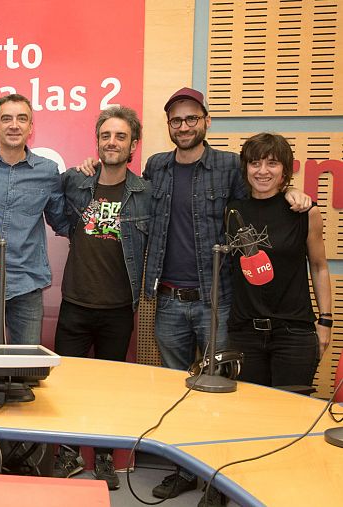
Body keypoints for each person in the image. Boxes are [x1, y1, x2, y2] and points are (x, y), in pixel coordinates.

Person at [76, 88, 311, 505]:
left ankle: (215, 480)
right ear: (168, 126)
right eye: (176, 120)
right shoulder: (157, 166)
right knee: (174, 392)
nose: (183, 126)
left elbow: (263, 196)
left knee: (219, 390)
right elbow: (123, 188)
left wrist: (294, 193)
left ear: (205, 122)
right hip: (166, 299)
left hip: (217, 299)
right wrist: (94, 166)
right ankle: (183, 471)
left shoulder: (228, 166)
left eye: (191, 119)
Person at [52, 106, 150, 490]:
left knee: (109, 391)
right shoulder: (79, 183)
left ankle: (105, 456)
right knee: (66, 387)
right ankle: (68, 453)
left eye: (120, 136)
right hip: (75, 303)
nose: (112, 142)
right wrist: (77, 169)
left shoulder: (144, 194)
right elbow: (48, 189)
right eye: (106, 136)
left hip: (118, 308)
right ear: (97, 142)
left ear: (133, 145)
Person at [227, 133, 332, 387]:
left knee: (293, 414)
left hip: (293, 335)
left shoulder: (305, 212)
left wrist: (326, 321)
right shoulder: (232, 211)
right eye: (255, 163)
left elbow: (319, 267)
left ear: (285, 170)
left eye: (272, 163)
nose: (263, 171)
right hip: (244, 335)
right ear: (246, 169)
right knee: (248, 415)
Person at [0, 93, 68, 345]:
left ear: (31, 127)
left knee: (27, 368)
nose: (14, 125)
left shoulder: (47, 171)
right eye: (6, 118)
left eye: (22, 118)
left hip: (27, 285)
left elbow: (61, 220)